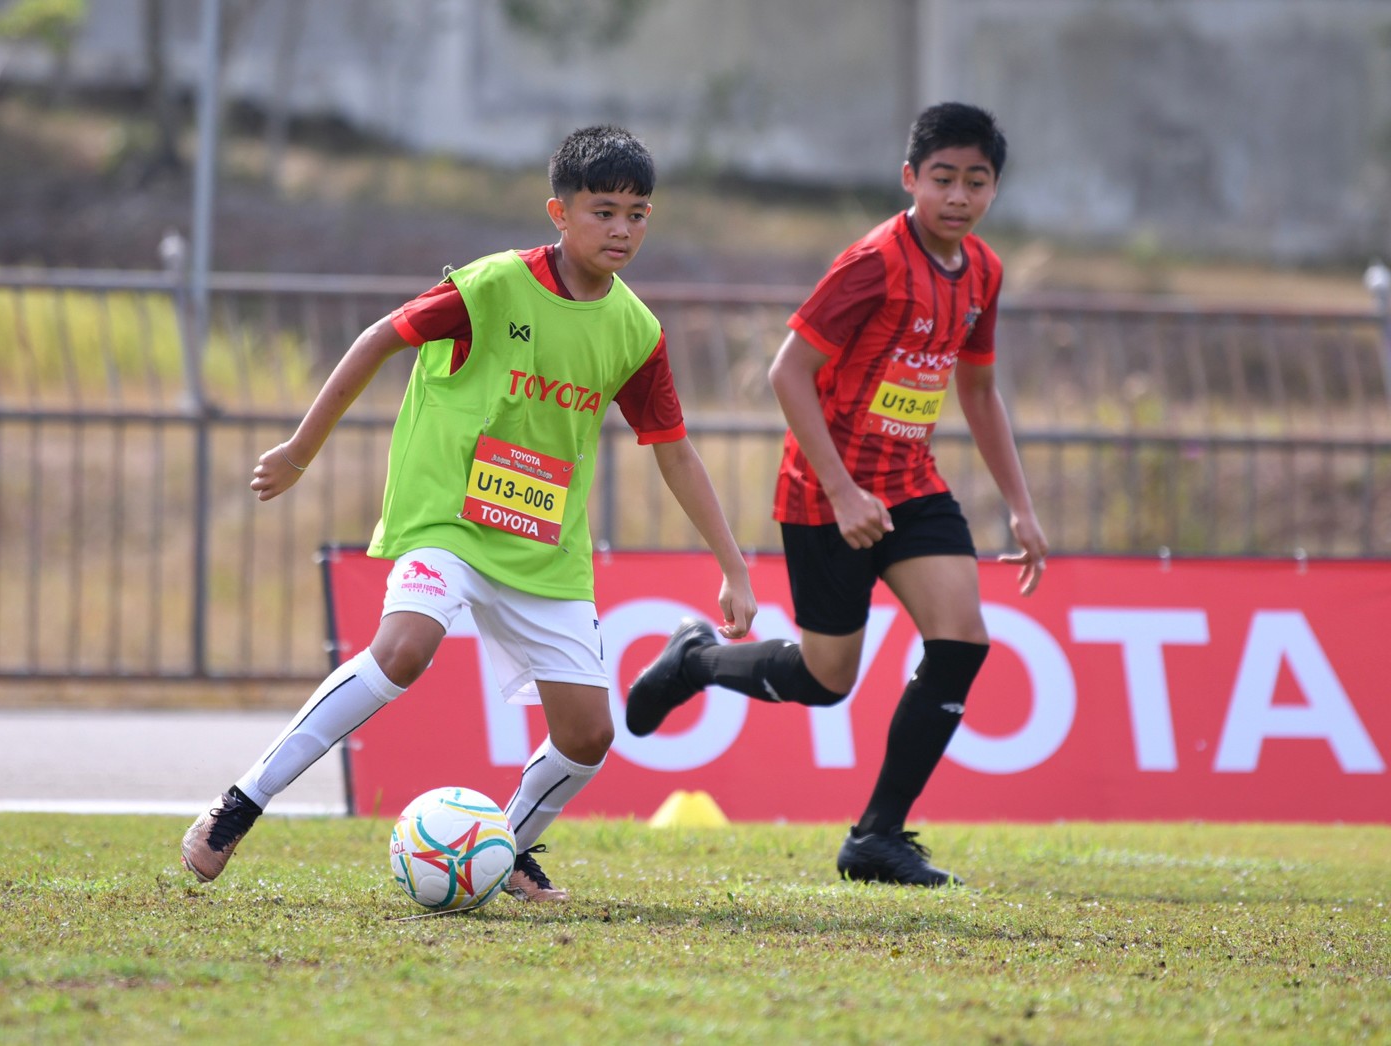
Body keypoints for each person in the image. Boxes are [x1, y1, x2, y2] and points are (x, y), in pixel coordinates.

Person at [181, 125, 757, 902]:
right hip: (448, 515)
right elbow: (379, 339)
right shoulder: (490, 286)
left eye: (638, 214)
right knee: (407, 647)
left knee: (588, 737)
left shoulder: (636, 330)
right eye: (604, 211)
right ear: (559, 212)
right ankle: (241, 802)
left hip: (544, 548)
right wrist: (299, 449)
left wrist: (732, 565)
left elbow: (674, 449)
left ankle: (505, 849)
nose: (622, 230)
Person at [624, 102, 1047, 887]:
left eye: (976, 181)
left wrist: (1019, 503)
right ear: (910, 178)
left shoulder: (983, 271)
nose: (958, 196)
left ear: (994, 189)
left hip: (911, 487)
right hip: (827, 495)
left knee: (962, 642)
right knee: (826, 681)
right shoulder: (875, 263)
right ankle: (697, 662)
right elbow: (788, 370)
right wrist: (843, 489)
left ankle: (877, 837)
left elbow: (980, 392)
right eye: (943, 178)